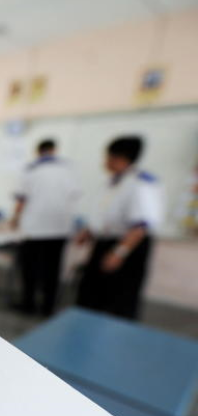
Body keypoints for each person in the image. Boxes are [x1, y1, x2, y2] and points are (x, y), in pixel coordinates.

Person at [76, 136, 163, 319]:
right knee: (90, 296)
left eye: (108, 157)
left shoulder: (141, 183)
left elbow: (141, 226)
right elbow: (105, 213)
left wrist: (119, 252)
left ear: (120, 158)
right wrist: (89, 231)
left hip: (128, 247)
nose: (104, 162)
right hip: (105, 243)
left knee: (120, 300)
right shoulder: (113, 182)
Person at [11, 139, 81, 315]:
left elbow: (21, 199)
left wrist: (15, 219)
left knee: (30, 268)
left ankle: (28, 303)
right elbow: (74, 195)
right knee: (52, 269)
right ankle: (48, 307)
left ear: (38, 151)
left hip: (34, 229)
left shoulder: (31, 169)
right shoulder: (68, 168)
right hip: (60, 228)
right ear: (54, 150)